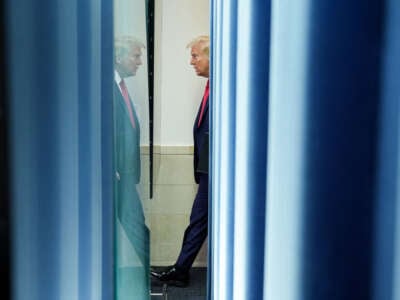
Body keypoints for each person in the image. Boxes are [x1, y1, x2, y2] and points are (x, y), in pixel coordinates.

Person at [151, 35, 210, 287]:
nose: (191, 62)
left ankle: (181, 270)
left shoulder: (229, 88)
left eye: (195, 55)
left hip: (218, 172)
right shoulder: (211, 87)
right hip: (208, 171)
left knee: (198, 221)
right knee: (198, 221)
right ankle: (181, 269)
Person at [113, 36, 150, 295]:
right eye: (135, 56)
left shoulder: (121, 87)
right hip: (112, 176)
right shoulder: (104, 87)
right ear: (118, 57)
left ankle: (145, 280)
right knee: (137, 228)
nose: (139, 62)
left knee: (138, 228)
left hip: (124, 175)